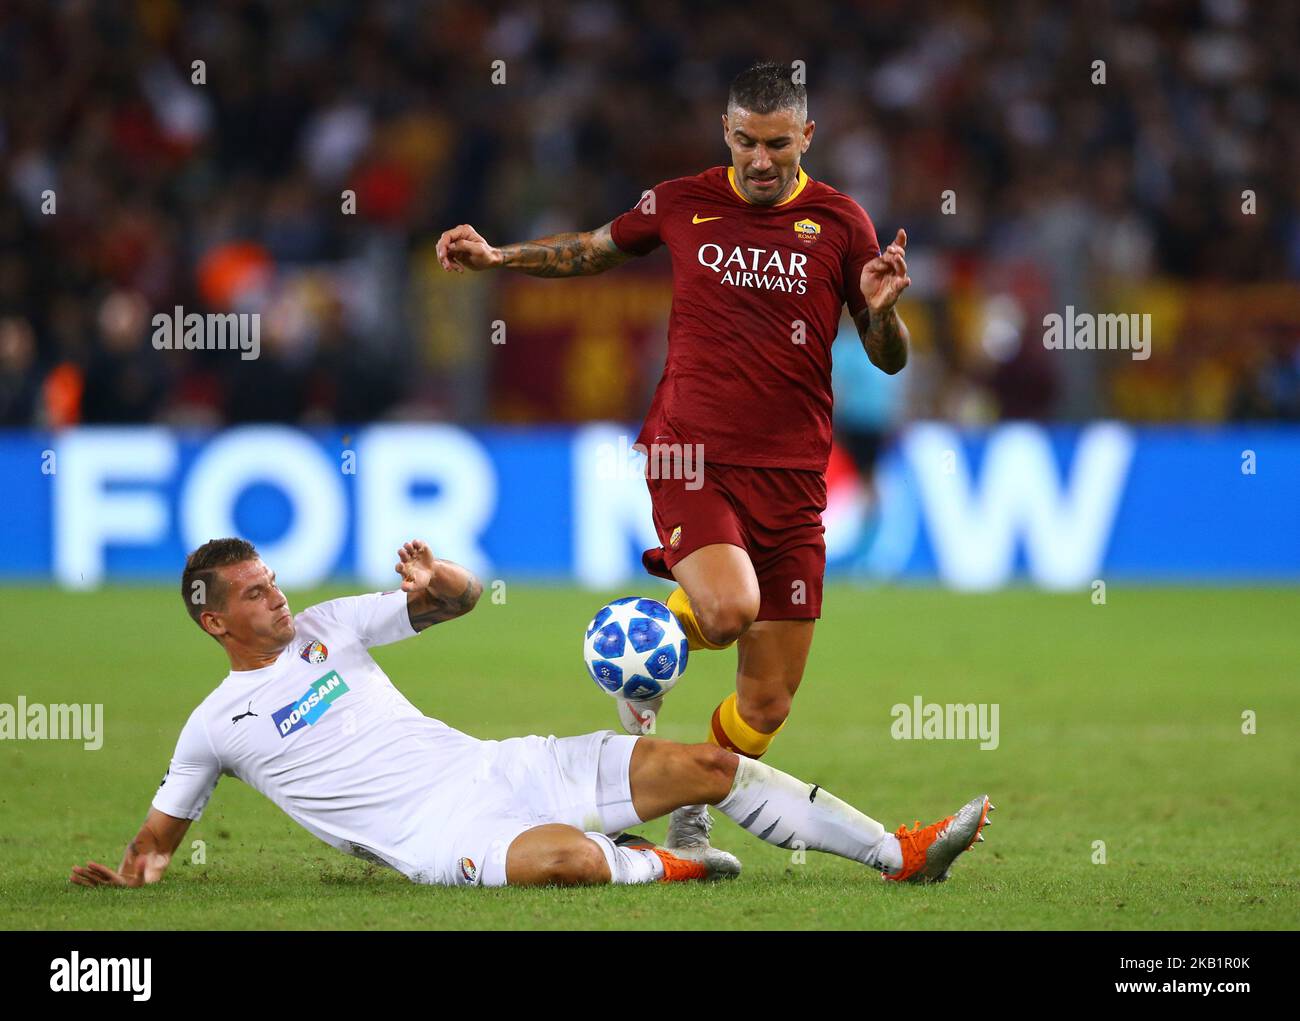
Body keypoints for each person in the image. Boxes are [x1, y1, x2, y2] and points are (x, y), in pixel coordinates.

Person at [436, 62, 913, 857]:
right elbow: (594, 249)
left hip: (794, 474)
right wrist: (498, 258)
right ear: (726, 133)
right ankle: (634, 644)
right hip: (692, 451)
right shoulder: (682, 200)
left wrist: (883, 313)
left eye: (778, 145)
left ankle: (691, 805)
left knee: (766, 701)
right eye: (746, 142)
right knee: (728, 611)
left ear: (807, 137)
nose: (761, 161)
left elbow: (888, 357)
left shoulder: (840, 223)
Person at [69, 538, 991, 890]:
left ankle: (898, 853)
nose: (278, 598)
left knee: (708, 766)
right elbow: (157, 839)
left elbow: (461, 603)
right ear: (212, 619)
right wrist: (133, 876)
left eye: (273, 581)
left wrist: (444, 582)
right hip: (433, 835)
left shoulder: (329, 628)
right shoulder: (212, 725)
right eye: (256, 593)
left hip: (492, 765)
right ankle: (667, 863)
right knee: (566, 861)